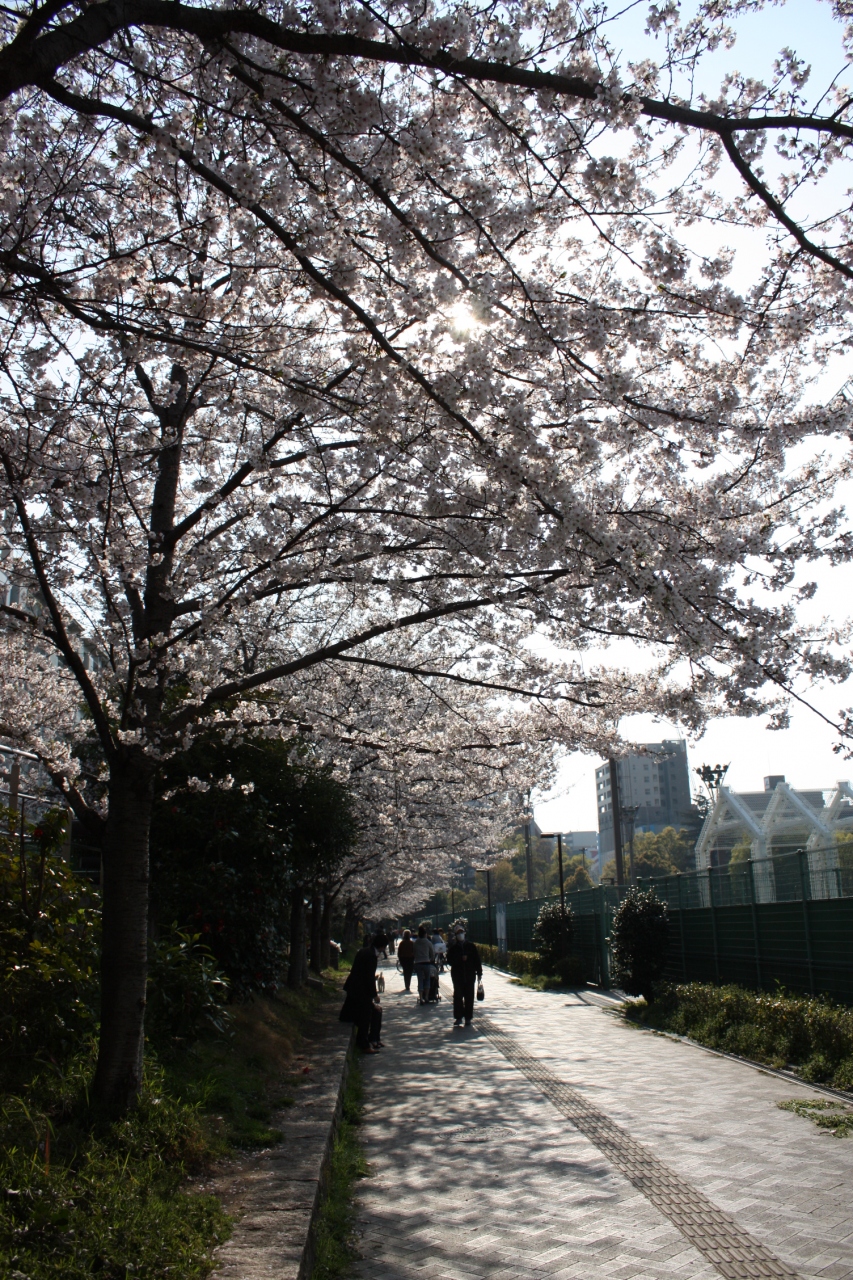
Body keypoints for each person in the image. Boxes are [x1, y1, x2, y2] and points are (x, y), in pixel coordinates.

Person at [339, 931, 388, 1052]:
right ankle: (364, 1044)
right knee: (366, 1015)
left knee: (377, 1011)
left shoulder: (365, 951)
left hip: (355, 989)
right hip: (359, 992)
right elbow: (369, 978)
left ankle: (374, 1039)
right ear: (382, 946)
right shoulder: (370, 956)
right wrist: (374, 995)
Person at [447, 924, 482, 1026]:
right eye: (458, 933)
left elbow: (477, 960)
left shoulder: (471, 946)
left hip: (470, 975)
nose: (460, 934)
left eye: (461, 932)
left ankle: (468, 1017)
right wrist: (459, 959)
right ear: (455, 935)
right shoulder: (453, 948)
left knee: (469, 997)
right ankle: (458, 1017)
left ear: (464, 933)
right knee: (458, 996)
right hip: (457, 976)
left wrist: (479, 973)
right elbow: (449, 961)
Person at [412, 924, 435, 1004]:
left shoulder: (415, 943)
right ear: (425, 934)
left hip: (418, 963)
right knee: (427, 979)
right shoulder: (428, 942)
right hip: (426, 962)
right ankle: (427, 997)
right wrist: (432, 959)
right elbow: (432, 952)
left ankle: (421, 997)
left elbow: (414, 953)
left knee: (420, 980)